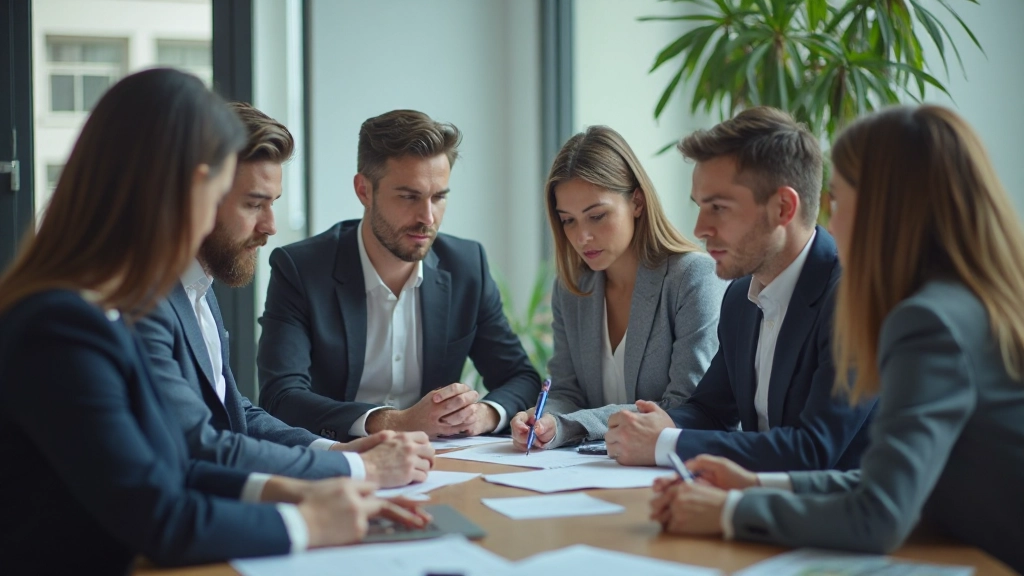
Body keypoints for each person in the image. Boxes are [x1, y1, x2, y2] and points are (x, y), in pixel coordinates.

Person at [0, 69, 427, 573]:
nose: (213, 221)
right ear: (176, 190)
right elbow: (157, 514)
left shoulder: (103, 306)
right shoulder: (63, 324)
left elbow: (173, 466)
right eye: (224, 194)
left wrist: (296, 488)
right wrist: (310, 522)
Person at [649, 105, 1024, 573]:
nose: (831, 220)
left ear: (886, 213)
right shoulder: (963, 302)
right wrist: (758, 486)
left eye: (840, 202)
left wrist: (728, 512)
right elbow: (887, 483)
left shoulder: (925, 322)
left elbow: (879, 515)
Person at [135, 102, 433, 488]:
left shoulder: (198, 286)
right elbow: (201, 443)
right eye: (254, 204)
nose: (271, 226)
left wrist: (333, 451)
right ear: (194, 197)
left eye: (272, 203)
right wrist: (362, 471)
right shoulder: (144, 301)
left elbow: (235, 413)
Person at [605, 107, 875, 471]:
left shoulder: (855, 299)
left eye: (718, 207)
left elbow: (813, 450)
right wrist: (663, 424)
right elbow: (710, 410)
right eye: (700, 206)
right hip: (758, 510)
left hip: (839, 522)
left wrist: (668, 443)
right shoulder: (740, 297)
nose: (700, 228)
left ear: (783, 208)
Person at [257, 109, 541, 440]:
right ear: (364, 190)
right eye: (409, 197)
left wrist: (483, 415)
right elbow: (281, 396)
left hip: (440, 465)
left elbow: (520, 377)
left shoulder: (466, 266)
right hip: (341, 464)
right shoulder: (301, 269)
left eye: (439, 197)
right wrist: (395, 422)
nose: (428, 217)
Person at [508, 126, 725, 451]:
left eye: (596, 216)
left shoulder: (691, 277)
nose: (582, 237)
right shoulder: (572, 288)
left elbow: (683, 406)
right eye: (568, 220)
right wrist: (544, 422)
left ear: (636, 202)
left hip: (668, 470)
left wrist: (572, 424)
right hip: (588, 471)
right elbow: (567, 391)